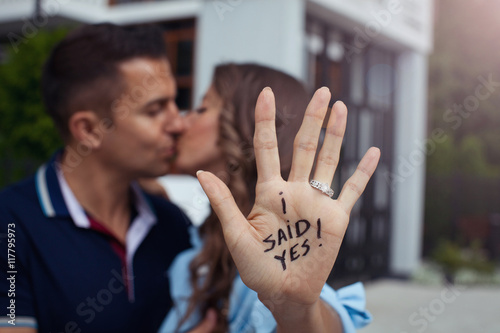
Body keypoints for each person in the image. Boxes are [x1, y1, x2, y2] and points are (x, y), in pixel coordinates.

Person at [159, 63, 379, 333]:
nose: (181, 122)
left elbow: (315, 319)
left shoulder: (260, 262)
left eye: (202, 108)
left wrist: (296, 311)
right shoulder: (198, 239)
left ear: (241, 127)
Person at [0, 23, 192, 332]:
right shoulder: (9, 227)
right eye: (155, 110)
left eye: (175, 102)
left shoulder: (173, 224)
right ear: (89, 130)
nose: (178, 124)